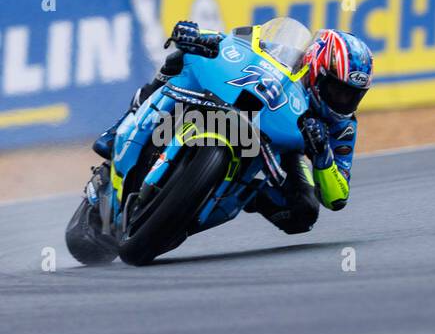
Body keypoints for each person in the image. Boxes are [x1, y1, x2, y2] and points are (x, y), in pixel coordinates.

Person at [89, 20, 372, 235]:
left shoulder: (342, 125)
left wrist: (322, 155)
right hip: (241, 106)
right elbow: (237, 44)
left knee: (304, 214)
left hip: (283, 146)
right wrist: (200, 37)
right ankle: (121, 127)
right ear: (316, 67)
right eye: (338, 90)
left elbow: (337, 198)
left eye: (352, 95)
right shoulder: (289, 53)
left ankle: (247, 192)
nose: (344, 101)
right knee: (181, 59)